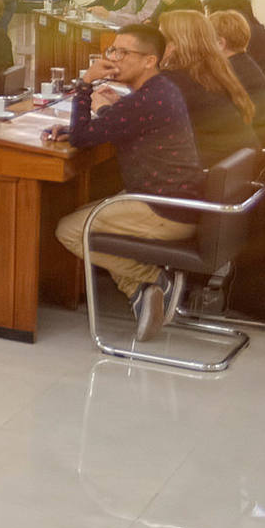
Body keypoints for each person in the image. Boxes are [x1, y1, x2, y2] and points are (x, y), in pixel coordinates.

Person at [49, 25, 205, 342]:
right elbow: (116, 124)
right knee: (85, 212)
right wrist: (98, 114)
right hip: (176, 202)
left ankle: (153, 282)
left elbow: (82, 136)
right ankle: (140, 293)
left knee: (68, 229)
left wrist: (86, 83)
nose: (114, 59)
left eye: (123, 53)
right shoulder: (160, 89)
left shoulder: (146, 99)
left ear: (150, 60)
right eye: (112, 51)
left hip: (164, 211)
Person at [158, 10, 259, 165]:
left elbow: (128, 123)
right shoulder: (214, 72)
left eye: (161, 39)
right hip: (239, 172)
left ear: (176, 44)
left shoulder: (174, 81)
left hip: (207, 173)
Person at [207, 9, 265, 133]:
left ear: (220, 43)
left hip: (252, 139)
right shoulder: (247, 63)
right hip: (261, 134)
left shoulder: (228, 72)